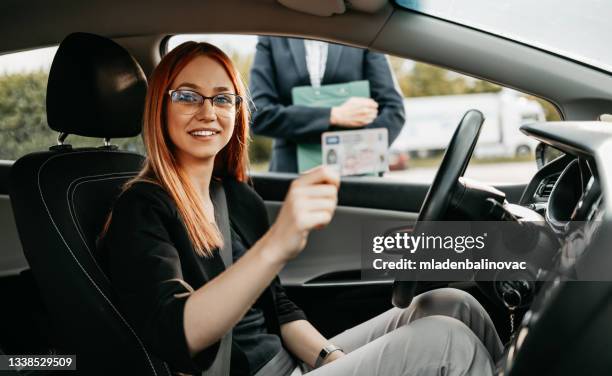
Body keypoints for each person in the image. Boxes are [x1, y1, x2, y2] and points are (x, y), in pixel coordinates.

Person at [97, 41, 502, 376]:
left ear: (237, 112)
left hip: (290, 365)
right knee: (447, 341)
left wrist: (327, 358)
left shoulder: (237, 198)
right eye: (187, 96)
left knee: (451, 303)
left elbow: (279, 310)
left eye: (223, 98)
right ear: (159, 106)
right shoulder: (141, 208)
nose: (208, 111)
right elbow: (176, 335)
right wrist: (275, 245)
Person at [249, 36, 405, 172]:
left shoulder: (362, 35)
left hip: (357, 170)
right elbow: (258, 114)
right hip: (290, 173)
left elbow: (393, 110)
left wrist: (356, 153)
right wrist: (332, 115)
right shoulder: (272, 37)